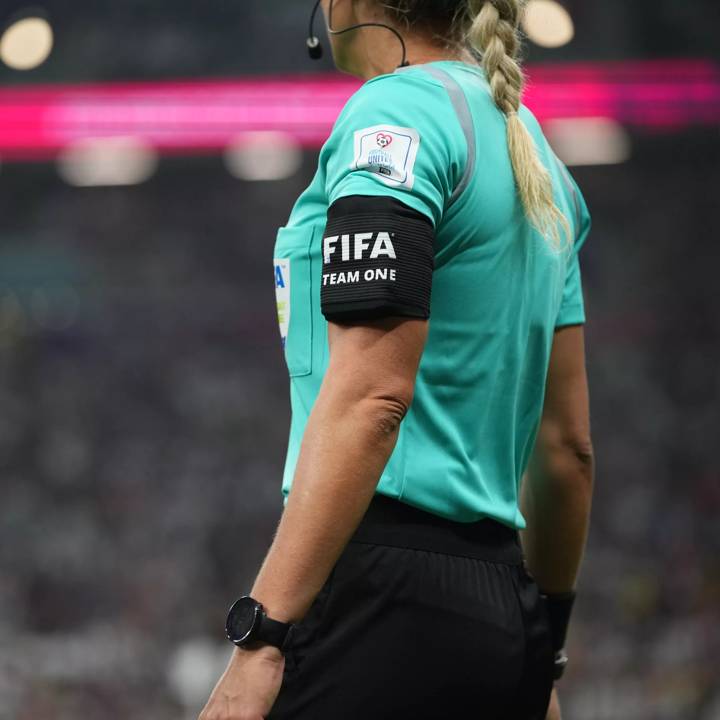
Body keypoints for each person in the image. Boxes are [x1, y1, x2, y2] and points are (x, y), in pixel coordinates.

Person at [199, 0, 594, 718]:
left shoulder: (394, 117)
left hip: (378, 597)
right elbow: (567, 453)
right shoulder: (542, 161)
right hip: (503, 608)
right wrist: (546, 648)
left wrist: (263, 640)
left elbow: (374, 399)